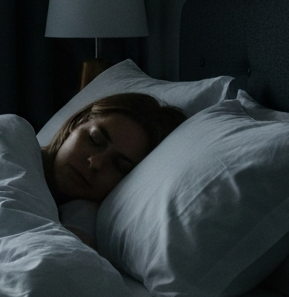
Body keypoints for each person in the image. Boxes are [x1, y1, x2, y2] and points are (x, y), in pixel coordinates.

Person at [41, 93, 186, 247]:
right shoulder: (17, 146)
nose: (95, 163)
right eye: (95, 139)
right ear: (77, 123)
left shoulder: (86, 219)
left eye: (118, 165)